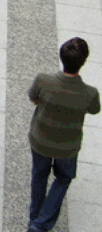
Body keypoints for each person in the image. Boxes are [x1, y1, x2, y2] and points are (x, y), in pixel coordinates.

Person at [27, 37, 100, 232]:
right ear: (83, 62)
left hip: (40, 139)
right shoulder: (90, 93)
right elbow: (94, 109)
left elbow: (33, 97)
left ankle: (35, 217)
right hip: (68, 146)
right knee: (63, 178)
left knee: (39, 175)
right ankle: (41, 223)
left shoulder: (43, 80)